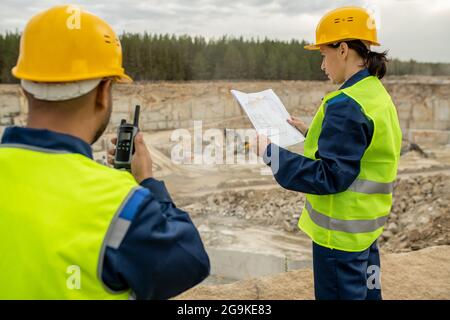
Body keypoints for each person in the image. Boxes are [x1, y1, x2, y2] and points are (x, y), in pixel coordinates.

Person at [0, 5, 210, 299]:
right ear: (102, 93)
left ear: (24, 90)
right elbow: (191, 261)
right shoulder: (122, 204)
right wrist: (147, 181)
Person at [257, 6, 402, 300]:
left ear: (344, 50)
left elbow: (329, 176)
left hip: (339, 239)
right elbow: (363, 146)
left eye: (324, 55)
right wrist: (313, 131)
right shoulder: (374, 93)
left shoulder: (346, 104)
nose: (323, 66)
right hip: (365, 231)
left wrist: (270, 153)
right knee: (368, 294)